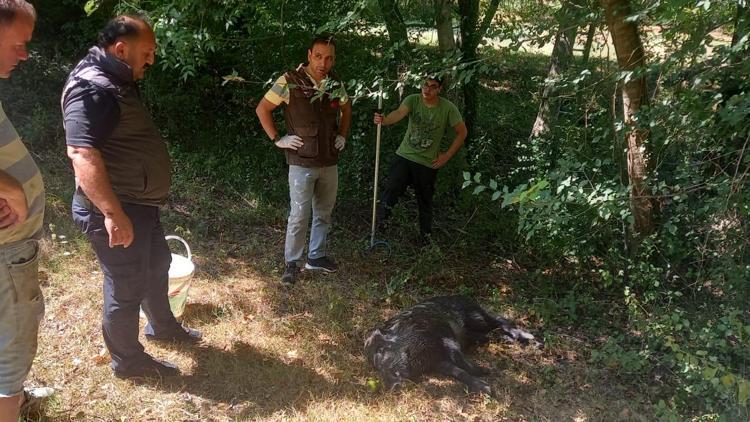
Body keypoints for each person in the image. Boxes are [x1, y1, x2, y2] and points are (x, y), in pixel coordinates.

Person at [62, 15, 201, 381]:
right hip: (116, 207)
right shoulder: (93, 88)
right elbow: (81, 153)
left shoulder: (115, 77)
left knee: (158, 263)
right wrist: (111, 212)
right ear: (121, 49)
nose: (151, 60)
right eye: (147, 52)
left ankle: (163, 326)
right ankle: (128, 362)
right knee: (125, 286)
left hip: (138, 203)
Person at [256, 33, 352, 286]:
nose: (323, 63)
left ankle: (316, 256)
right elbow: (262, 108)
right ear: (309, 55)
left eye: (329, 58)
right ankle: (292, 263)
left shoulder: (334, 83)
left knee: (324, 212)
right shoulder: (289, 81)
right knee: (299, 214)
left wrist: (342, 134)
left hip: (329, 160)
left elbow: (346, 108)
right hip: (301, 161)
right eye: (318, 56)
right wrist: (278, 138)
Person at [0, 1, 45, 420]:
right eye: (20, 43)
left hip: (10, 248)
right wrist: (11, 187)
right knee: (11, 348)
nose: (24, 54)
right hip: (6, 252)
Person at [373, 75, 467, 242]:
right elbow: (400, 113)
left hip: (427, 163)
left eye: (432, 86)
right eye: (425, 84)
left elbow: (462, 132)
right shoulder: (413, 100)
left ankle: (425, 239)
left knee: (424, 201)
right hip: (405, 155)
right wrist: (385, 120)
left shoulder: (448, 108)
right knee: (391, 190)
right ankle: (380, 228)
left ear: (439, 89)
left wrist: (446, 155)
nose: (427, 89)